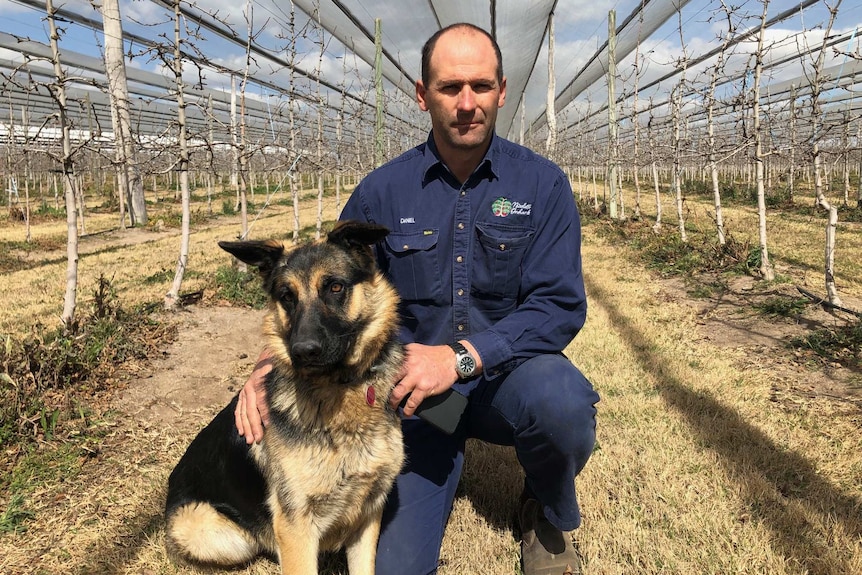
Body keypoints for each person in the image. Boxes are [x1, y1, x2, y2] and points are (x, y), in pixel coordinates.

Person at [235, 23, 599, 575]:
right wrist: (267, 367)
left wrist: (459, 358)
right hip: (414, 403)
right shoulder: (382, 192)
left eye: (481, 86)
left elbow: (559, 306)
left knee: (562, 404)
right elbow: (326, 287)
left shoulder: (541, 186)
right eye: (451, 88)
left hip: (506, 381)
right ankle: (438, 467)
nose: (468, 103)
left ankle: (541, 510)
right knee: (396, 568)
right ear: (422, 94)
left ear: (502, 90)